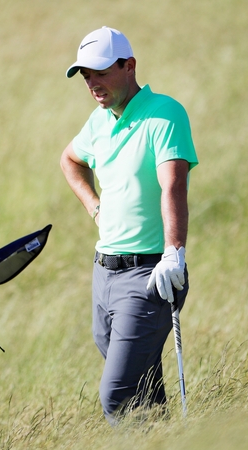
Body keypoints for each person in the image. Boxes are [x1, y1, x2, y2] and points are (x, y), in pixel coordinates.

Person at [59, 26, 199, 425]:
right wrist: (95, 207)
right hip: (104, 275)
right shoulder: (98, 122)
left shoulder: (165, 113)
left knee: (117, 395)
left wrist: (174, 253)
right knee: (143, 394)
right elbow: (69, 160)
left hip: (151, 274)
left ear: (129, 66)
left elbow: (173, 185)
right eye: (86, 76)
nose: (93, 83)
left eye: (100, 72)